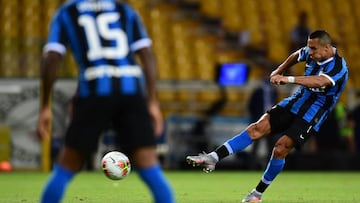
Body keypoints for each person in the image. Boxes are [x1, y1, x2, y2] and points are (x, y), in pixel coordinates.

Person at [36, 1, 175, 203]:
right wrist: (152, 101)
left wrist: (45, 106)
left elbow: (52, 58)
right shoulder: (124, 10)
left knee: (65, 168)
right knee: (149, 167)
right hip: (132, 92)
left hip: (94, 91)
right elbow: (147, 55)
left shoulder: (67, 12)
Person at [186, 30, 348, 202]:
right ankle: (213, 158)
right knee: (258, 127)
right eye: (309, 48)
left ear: (327, 48)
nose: (310, 52)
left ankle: (257, 194)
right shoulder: (312, 50)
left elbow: (320, 81)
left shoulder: (339, 66)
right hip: (296, 101)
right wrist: (279, 70)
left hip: (314, 112)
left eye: (314, 49)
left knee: (280, 148)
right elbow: (296, 55)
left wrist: (289, 79)